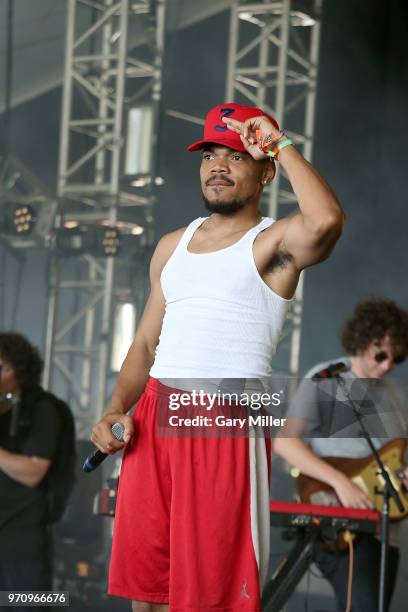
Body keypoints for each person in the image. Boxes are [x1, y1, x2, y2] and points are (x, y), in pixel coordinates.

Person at [91, 102, 345, 612]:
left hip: (222, 417)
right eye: (209, 155)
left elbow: (326, 220)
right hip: (154, 415)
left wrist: (278, 142)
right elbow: (143, 345)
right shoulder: (171, 245)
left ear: (265, 170)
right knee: (149, 587)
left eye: (235, 155)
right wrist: (116, 407)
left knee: (210, 594)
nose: (218, 166)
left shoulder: (273, 241)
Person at [273, 297, 408, 612]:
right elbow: (284, 442)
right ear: (362, 340)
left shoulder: (393, 396)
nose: (387, 364)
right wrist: (341, 483)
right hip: (342, 523)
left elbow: (397, 459)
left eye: (397, 358)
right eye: (381, 354)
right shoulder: (327, 378)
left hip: (387, 531)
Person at [0, 333, 62, 600]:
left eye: (2, 368)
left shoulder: (43, 409)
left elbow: (34, 472)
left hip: (21, 547)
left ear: (21, 373)